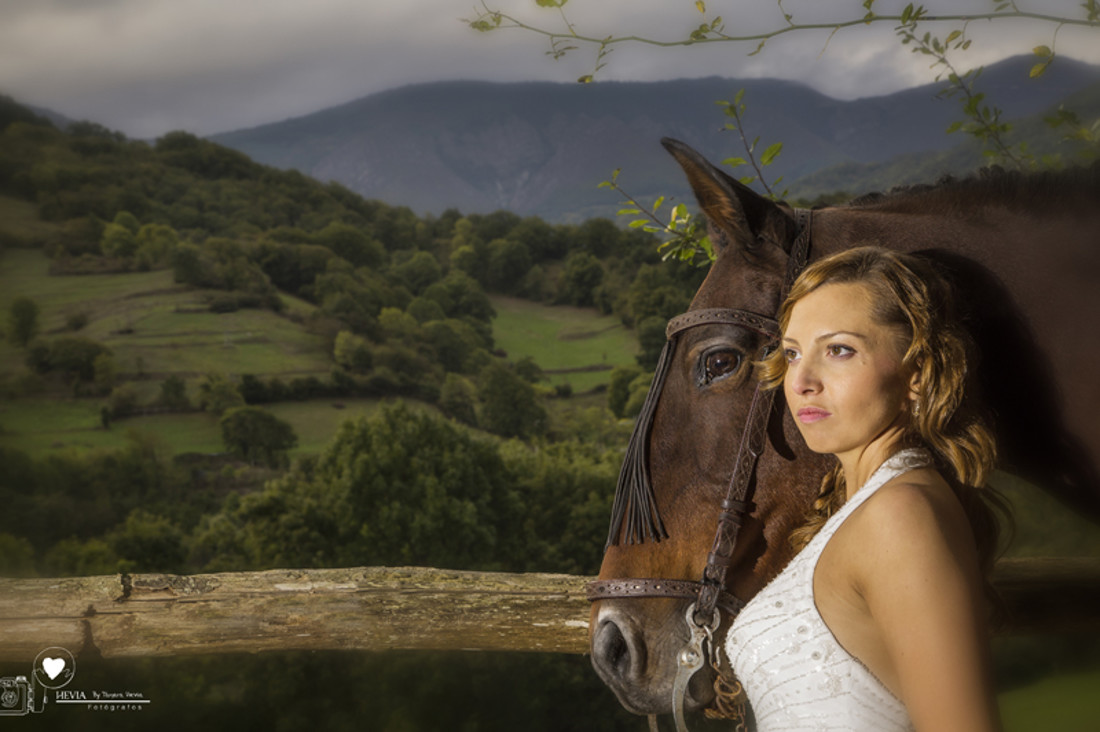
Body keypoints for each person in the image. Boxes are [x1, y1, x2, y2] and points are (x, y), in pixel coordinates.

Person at [723, 246, 1008, 731]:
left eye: (839, 350)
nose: (802, 381)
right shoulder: (866, 508)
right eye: (792, 353)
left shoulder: (901, 513)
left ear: (915, 376)